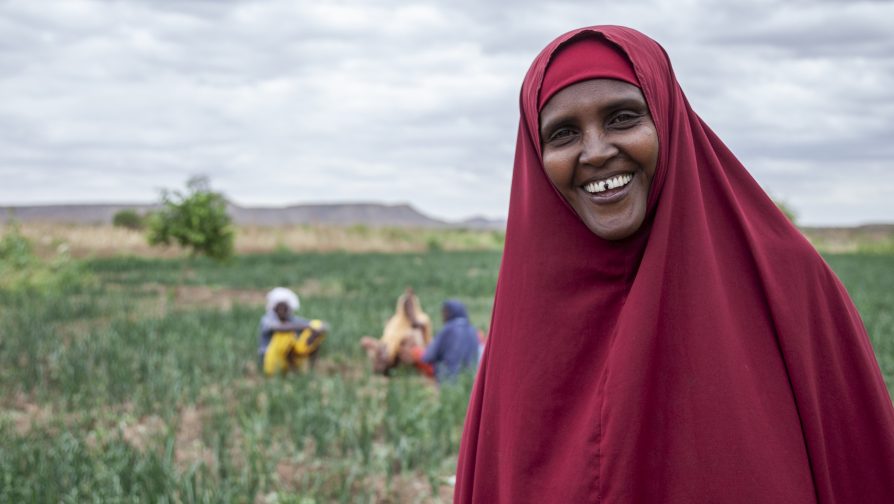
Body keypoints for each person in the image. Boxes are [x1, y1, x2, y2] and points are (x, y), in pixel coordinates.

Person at [455, 26, 894, 503]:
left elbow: (860, 468)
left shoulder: (787, 284)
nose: (597, 151)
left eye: (622, 118)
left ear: (667, 118)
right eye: (563, 133)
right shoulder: (524, 321)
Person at [399, 299, 480, 384]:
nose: (443, 317)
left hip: (449, 379)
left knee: (416, 352)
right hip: (470, 380)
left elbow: (428, 356)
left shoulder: (448, 330)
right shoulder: (472, 330)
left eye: (444, 313)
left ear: (450, 313)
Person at [360, 287, 432, 374]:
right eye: (406, 306)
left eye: (410, 306)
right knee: (365, 341)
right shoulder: (395, 321)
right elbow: (387, 340)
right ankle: (383, 360)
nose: (409, 311)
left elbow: (425, 343)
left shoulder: (422, 320)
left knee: (411, 337)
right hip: (389, 351)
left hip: (407, 355)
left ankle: (390, 363)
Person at [258, 287, 328, 376]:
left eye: (285, 308)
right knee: (285, 334)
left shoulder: (291, 320)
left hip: (287, 359)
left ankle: (306, 369)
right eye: (280, 308)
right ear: (274, 308)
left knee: (316, 325)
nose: (283, 311)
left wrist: (316, 331)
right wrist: (306, 326)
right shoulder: (267, 319)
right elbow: (279, 327)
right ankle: (275, 372)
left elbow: (320, 325)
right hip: (270, 361)